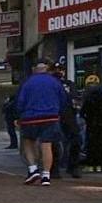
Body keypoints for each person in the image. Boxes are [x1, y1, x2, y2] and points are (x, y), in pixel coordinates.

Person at [15, 58, 65, 186]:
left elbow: (20, 101)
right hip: (50, 117)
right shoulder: (55, 82)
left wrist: (18, 116)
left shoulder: (27, 83)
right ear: (47, 68)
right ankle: (46, 176)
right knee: (46, 145)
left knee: (28, 142)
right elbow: (63, 100)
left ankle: (33, 169)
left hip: (29, 117)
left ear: (35, 69)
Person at [82, 73, 102, 172]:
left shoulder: (89, 99)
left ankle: (91, 165)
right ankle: (101, 165)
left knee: (91, 145)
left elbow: (83, 112)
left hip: (91, 125)